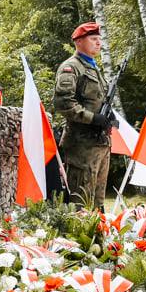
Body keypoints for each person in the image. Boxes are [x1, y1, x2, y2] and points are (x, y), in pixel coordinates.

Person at [53, 21, 112, 209]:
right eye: (93, 39)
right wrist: (93, 118)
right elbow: (64, 103)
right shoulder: (71, 68)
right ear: (79, 42)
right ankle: (79, 237)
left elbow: (98, 102)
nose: (98, 43)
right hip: (81, 143)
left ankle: (98, 234)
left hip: (100, 142)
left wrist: (109, 119)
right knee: (81, 201)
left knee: (97, 202)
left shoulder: (94, 69)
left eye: (99, 39)